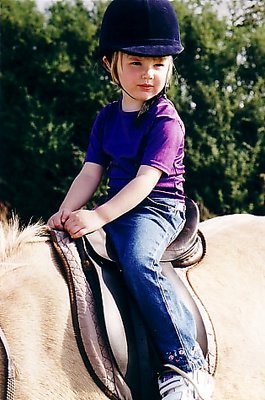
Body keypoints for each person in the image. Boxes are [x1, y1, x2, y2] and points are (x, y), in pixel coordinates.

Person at [48, 1, 214, 399]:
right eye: (136, 63)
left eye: (158, 63)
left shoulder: (166, 121)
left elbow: (145, 181)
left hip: (158, 208)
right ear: (111, 64)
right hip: (119, 205)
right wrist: (68, 210)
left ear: (170, 66)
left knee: (138, 259)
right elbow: (91, 171)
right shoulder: (106, 118)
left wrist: (100, 215)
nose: (148, 74)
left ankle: (185, 361)